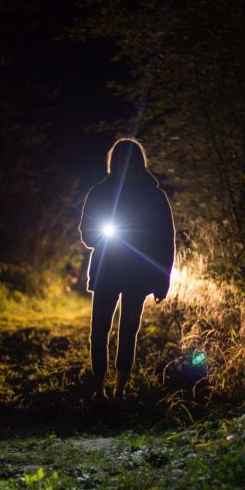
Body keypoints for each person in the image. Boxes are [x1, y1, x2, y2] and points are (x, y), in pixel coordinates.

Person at [79, 137, 175, 399]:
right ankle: (102, 391)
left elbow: (165, 240)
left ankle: (116, 391)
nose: (123, 164)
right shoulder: (105, 193)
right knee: (102, 330)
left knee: (123, 331)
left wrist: (162, 280)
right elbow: (88, 235)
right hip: (118, 272)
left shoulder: (151, 196)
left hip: (128, 274)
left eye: (126, 159)